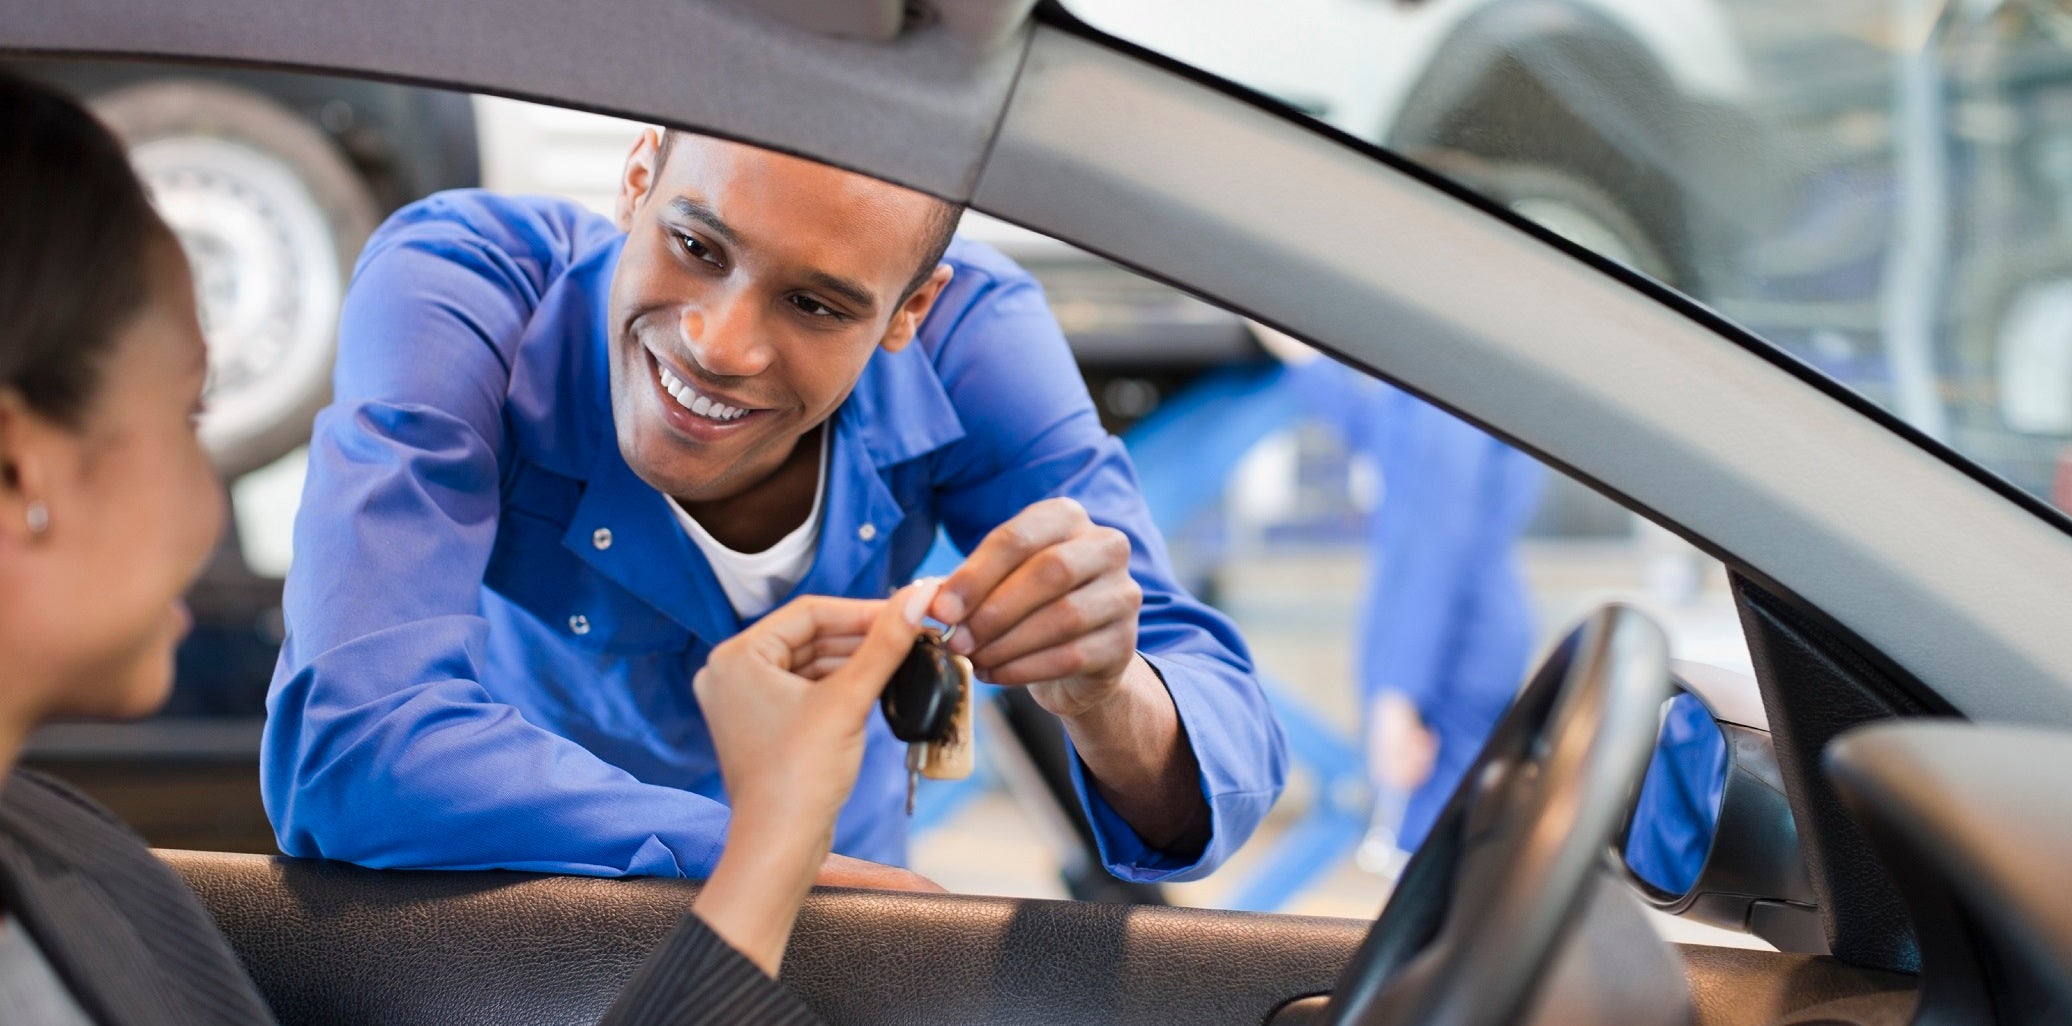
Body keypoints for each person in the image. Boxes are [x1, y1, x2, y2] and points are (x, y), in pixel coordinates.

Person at [0, 72, 899, 1024]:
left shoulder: (65, 857)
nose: (205, 506)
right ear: (22, 470)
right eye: (188, 415)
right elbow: (351, 745)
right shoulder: (70, 880)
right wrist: (768, 848)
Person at [262, 127, 1285, 888]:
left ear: (908, 312)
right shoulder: (470, 286)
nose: (720, 344)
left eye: (815, 305)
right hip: (529, 915)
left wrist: (1107, 694)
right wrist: (775, 856)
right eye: (698, 246)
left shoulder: (974, 333)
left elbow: (1217, 753)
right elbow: (348, 743)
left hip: (835, 936)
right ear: (635, 178)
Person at [1288, 357, 1544, 862]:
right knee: (1453, 853)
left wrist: (1399, 695)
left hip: (1451, 643)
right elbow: (1383, 437)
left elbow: (1433, 536)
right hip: (1466, 626)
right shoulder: (1458, 377)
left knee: (1434, 861)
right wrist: (1309, 364)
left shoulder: (1449, 379)